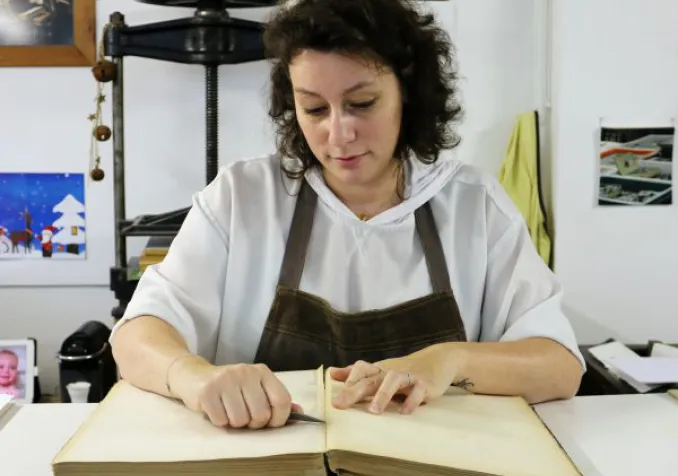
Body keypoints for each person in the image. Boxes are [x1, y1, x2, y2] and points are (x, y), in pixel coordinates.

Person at [110, 0, 585, 431]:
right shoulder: (242, 198)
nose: (338, 135)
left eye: (362, 104)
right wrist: (193, 377)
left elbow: (559, 365)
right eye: (314, 109)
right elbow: (136, 335)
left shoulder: (473, 205)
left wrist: (448, 361)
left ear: (408, 92)